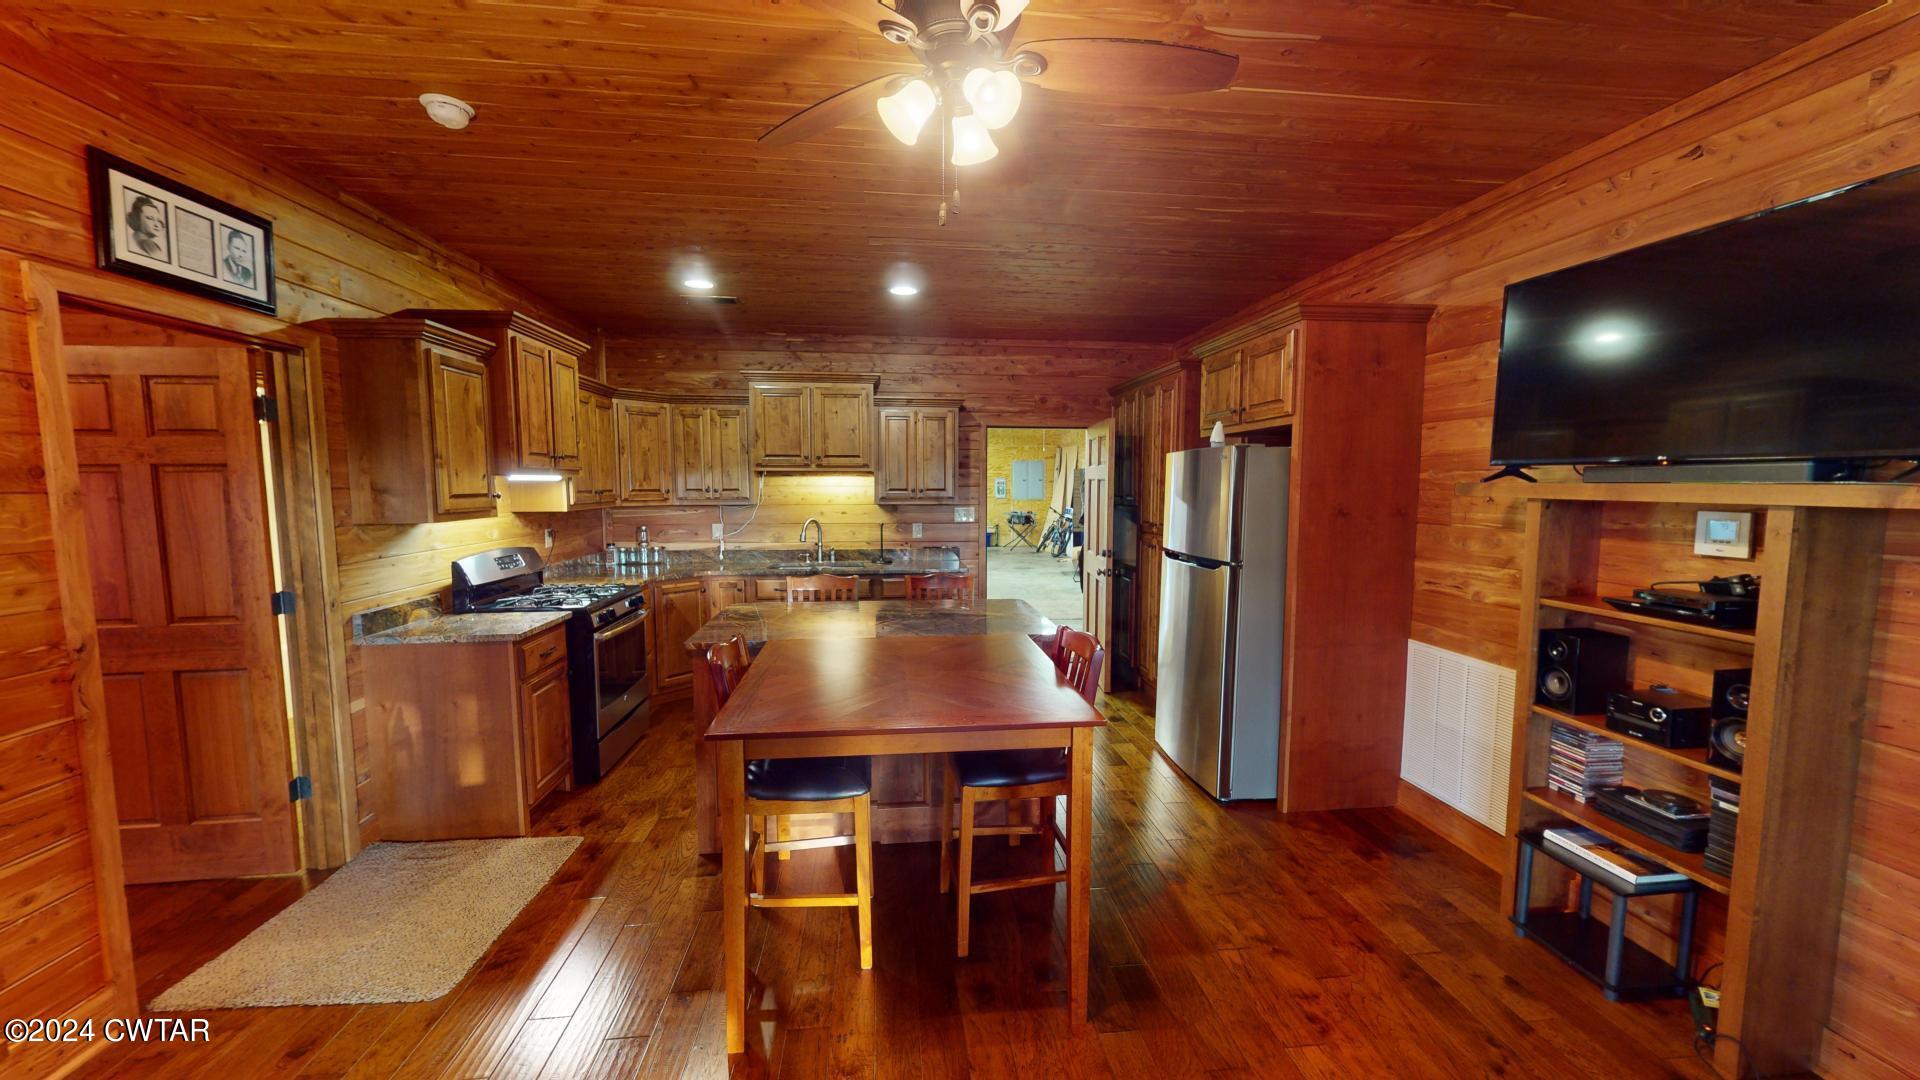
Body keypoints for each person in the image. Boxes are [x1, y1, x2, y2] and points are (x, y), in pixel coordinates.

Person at [125, 194, 167, 259]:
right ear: (137, 219)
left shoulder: (135, 238)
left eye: (158, 220)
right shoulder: (147, 243)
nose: (156, 224)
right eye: (150, 218)